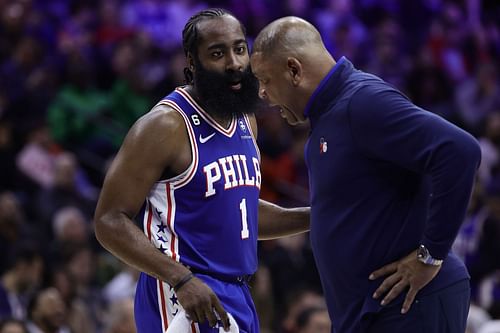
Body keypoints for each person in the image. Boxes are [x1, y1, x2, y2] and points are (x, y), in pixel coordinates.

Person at [250, 16, 481, 333]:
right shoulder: (327, 120)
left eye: (265, 80)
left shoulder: (361, 102)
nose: (262, 93)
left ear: (293, 70)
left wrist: (430, 256)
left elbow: (459, 151)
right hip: (371, 312)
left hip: (409, 305)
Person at [94, 8, 310, 333]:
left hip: (236, 291)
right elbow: (108, 221)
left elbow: (242, 214)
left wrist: (315, 216)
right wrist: (180, 279)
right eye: (217, 53)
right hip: (183, 290)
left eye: (239, 48)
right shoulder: (165, 125)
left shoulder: (245, 120)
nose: (234, 63)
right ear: (192, 63)